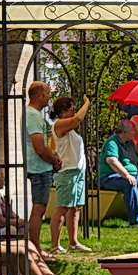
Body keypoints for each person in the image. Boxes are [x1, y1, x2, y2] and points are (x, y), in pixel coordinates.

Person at [24, 81, 62, 253]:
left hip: (42, 167)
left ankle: (35, 248)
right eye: (47, 93)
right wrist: (54, 160)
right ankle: (35, 249)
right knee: (38, 210)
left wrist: (53, 157)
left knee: (40, 209)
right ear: (39, 95)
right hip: (39, 168)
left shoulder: (34, 114)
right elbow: (39, 148)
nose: (50, 96)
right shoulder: (33, 115)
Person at [99, 118, 138, 228]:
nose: (134, 133)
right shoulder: (112, 143)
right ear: (123, 132)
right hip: (111, 176)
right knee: (130, 184)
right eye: (132, 131)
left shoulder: (130, 142)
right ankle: (136, 221)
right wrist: (126, 176)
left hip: (133, 175)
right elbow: (112, 161)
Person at [48, 95, 90, 251]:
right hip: (67, 172)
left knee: (75, 207)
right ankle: (55, 245)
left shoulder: (69, 129)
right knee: (62, 207)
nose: (74, 112)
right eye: (71, 109)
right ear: (62, 112)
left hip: (77, 171)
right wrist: (87, 103)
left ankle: (73, 242)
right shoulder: (59, 125)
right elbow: (78, 119)